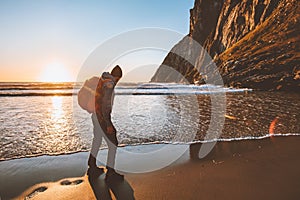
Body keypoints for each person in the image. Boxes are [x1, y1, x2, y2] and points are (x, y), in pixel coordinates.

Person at [87, 65, 124, 181]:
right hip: (102, 118)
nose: (118, 81)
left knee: (97, 140)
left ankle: (91, 165)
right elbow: (105, 105)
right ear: (117, 77)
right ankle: (110, 172)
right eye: (118, 79)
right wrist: (108, 124)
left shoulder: (103, 80)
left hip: (95, 116)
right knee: (113, 143)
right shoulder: (109, 84)